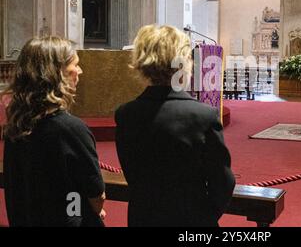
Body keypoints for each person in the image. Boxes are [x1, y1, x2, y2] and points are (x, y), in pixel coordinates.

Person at [115, 25, 235, 227]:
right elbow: (223, 182)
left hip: (143, 218)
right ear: (183, 63)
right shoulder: (203, 116)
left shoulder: (126, 114)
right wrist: (204, 217)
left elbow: (132, 173)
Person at [2, 36, 106, 227]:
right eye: (76, 65)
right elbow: (97, 196)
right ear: (57, 73)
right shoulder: (70, 129)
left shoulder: (16, 126)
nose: (80, 71)